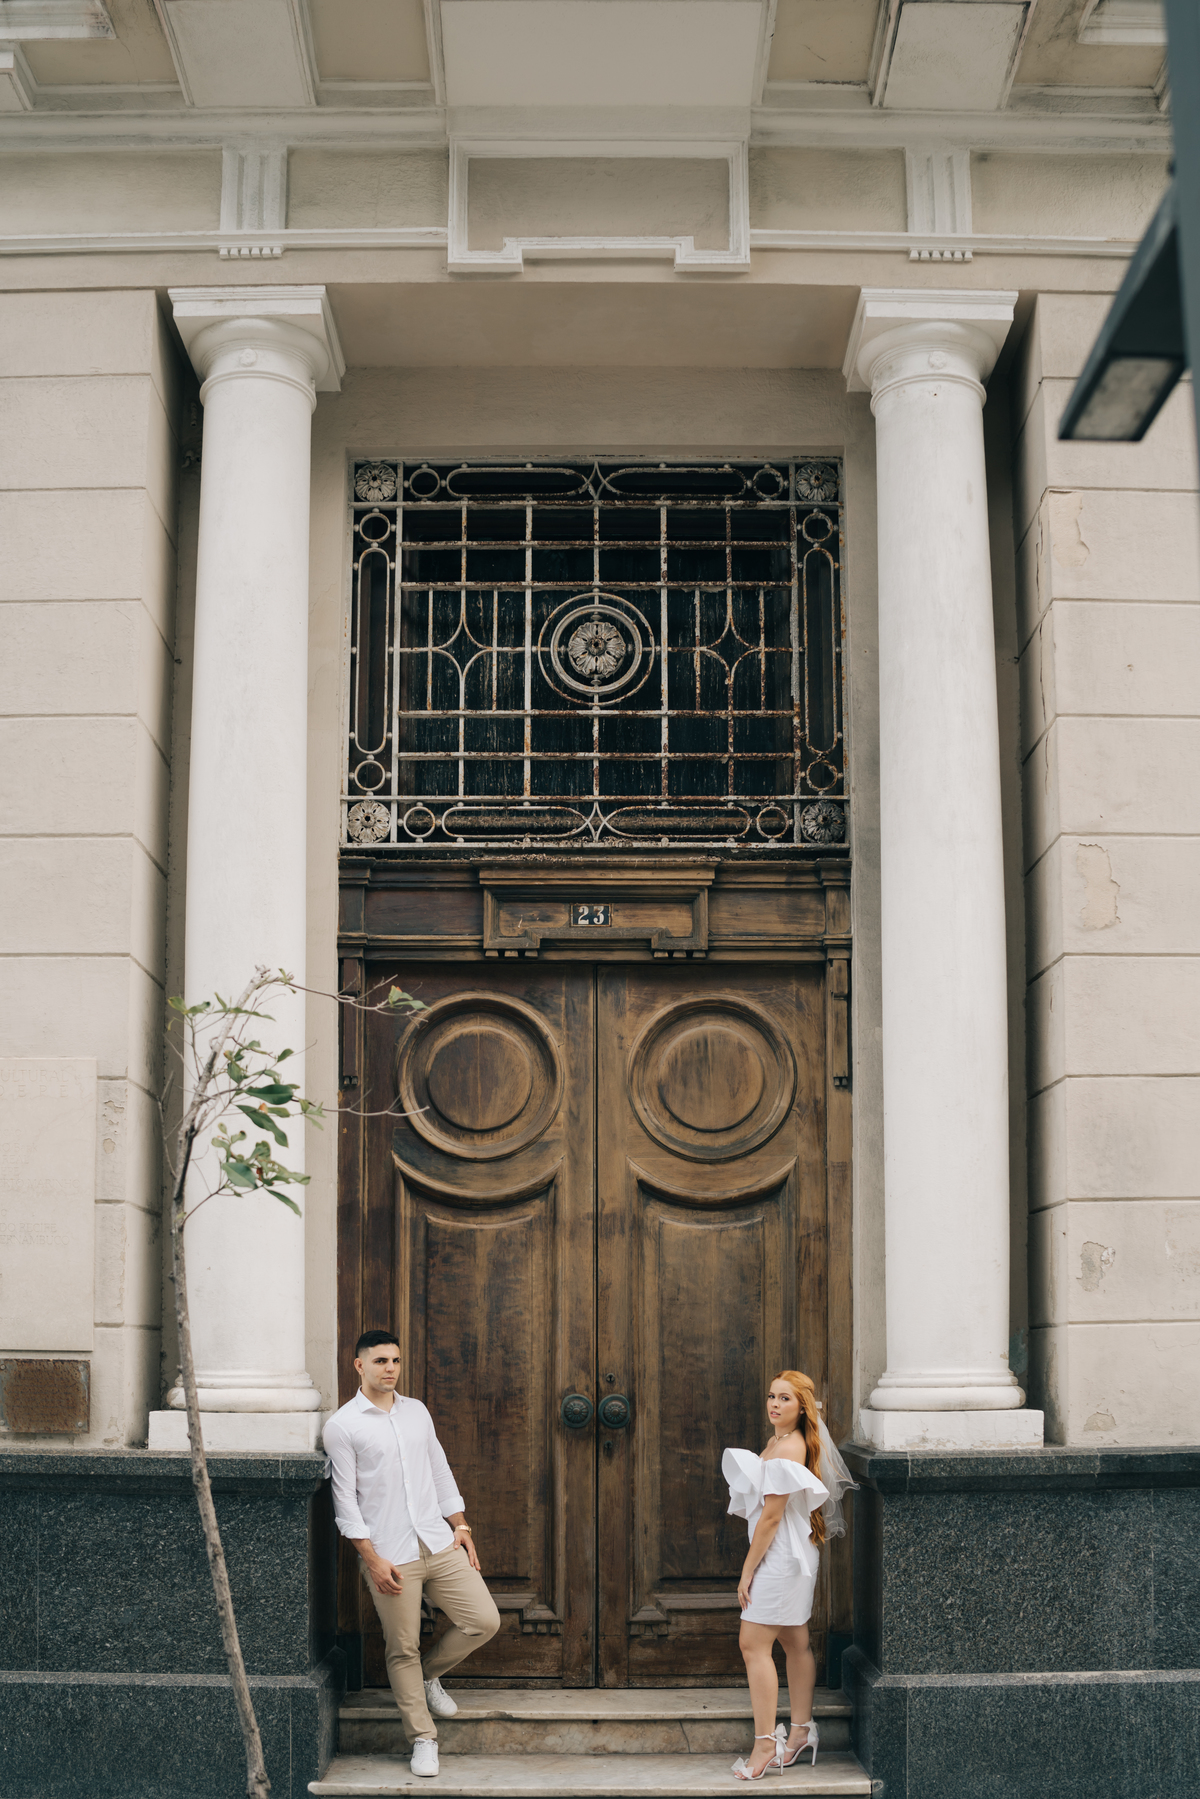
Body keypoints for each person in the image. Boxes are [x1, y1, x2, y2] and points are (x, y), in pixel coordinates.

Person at [323, 1330, 500, 1779]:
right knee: (401, 1646)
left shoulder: (417, 1412)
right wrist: (371, 1558)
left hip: (437, 1543)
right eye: (381, 1361)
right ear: (359, 1365)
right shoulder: (343, 1426)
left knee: (483, 1620)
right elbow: (344, 1500)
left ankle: (426, 1677)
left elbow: (439, 1470)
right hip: (390, 1554)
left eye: (396, 1361)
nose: (391, 1369)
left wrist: (459, 1524)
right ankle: (423, 1738)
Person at [722, 1369, 857, 1781]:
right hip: (794, 1556)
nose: (774, 1404)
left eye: (784, 1399)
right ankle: (800, 1732)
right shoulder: (779, 1442)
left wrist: (747, 1571)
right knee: (795, 1640)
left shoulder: (787, 1450)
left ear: (802, 1408)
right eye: (771, 1396)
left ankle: (766, 1742)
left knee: (752, 1643)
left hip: (779, 1558)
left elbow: (770, 1519)